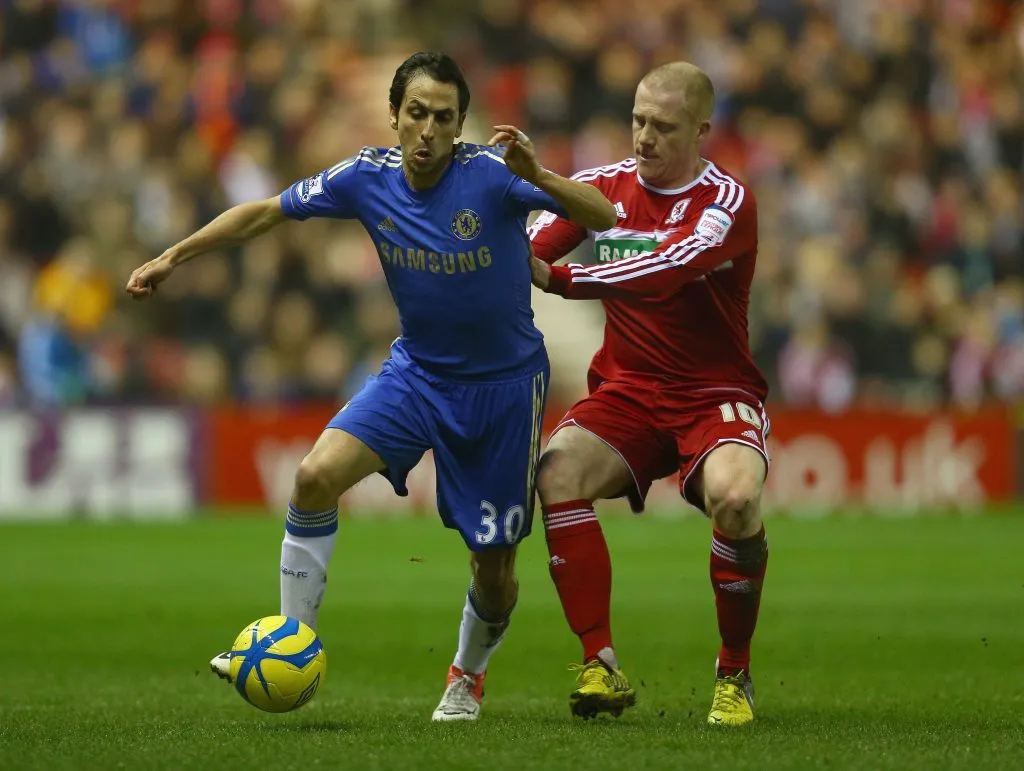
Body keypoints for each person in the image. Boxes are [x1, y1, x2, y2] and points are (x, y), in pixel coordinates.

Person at [125, 51, 616, 722]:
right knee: (313, 477)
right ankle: (293, 643)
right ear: (394, 116)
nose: (427, 130)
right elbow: (267, 211)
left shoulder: (495, 178)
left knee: (494, 570)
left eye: (444, 118)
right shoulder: (365, 176)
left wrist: (542, 175)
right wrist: (173, 256)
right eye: (416, 114)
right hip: (416, 374)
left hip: (502, 390)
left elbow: (605, 214)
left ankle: (466, 675)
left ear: (460, 124)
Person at [528, 61, 769, 726]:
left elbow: (667, 266)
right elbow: (535, 244)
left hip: (712, 392)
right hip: (629, 391)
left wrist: (563, 280)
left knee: (737, 497)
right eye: (637, 119)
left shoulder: (727, 204)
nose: (643, 137)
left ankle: (733, 671)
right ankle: (599, 664)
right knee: (558, 471)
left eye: (662, 126)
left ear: (700, 131)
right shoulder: (599, 187)